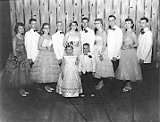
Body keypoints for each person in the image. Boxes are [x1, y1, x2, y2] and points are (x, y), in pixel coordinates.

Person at [1, 23, 31, 96]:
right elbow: (14, 49)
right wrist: (15, 58)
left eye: (22, 28)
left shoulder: (24, 36)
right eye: (20, 28)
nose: (22, 30)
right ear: (17, 29)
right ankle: (21, 90)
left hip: (23, 55)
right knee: (18, 73)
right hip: (17, 56)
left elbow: (26, 46)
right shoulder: (15, 37)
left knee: (24, 73)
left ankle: (22, 89)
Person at [30, 23, 60, 92]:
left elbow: (51, 45)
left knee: (50, 70)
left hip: (50, 54)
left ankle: (48, 85)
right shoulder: (42, 37)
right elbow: (39, 47)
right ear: (43, 29)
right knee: (44, 70)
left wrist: (51, 48)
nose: (47, 29)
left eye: (48, 28)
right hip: (43, 55)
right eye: (45, 28)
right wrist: (46, 48)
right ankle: (44, 86)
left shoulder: (50, 37)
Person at [115, 18, 143, 92]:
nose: (127, 25)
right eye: (126, 23)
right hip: (124, 52)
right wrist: (122, 46)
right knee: (124, 68)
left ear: (132, 24)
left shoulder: (132, 33)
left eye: (128, 23)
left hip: (130, 52)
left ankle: (128, 85)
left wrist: (129, 46)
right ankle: (127, 84)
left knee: (129, 67)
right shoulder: (125, 32)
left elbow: (137, 44)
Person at [93, 18, 115, 90]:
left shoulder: (103, 32)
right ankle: (100, 82)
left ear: (101, 24)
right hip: (96, 49)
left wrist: (101, 54)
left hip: (102, 51)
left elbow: (105, 44)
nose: (96, 25)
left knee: (102, 65)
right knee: (97, 66)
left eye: (98, 23)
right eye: (95, 23)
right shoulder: (96, 32)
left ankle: (102, 82)